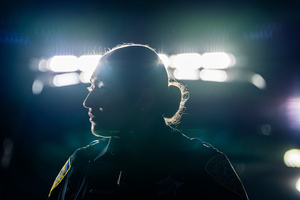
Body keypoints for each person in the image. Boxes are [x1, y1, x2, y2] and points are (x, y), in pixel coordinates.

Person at [48, 44, 248, 199]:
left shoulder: (203, 168)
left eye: (102, 89)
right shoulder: (81, 164)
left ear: (144, 99)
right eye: (90, 88)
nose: (87, 101)